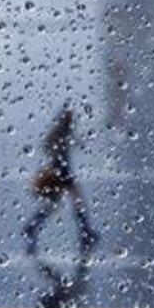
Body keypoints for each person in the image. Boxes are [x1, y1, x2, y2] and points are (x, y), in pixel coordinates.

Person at [24, 108, 99, 257]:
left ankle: (32, 226)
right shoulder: (59, 135)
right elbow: (49, 146)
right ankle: (85, 231)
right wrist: (58, 155)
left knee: (56, 204)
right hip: (61, 172)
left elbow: (70, 143)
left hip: (61, 171)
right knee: (76, 202)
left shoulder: (62, 134)